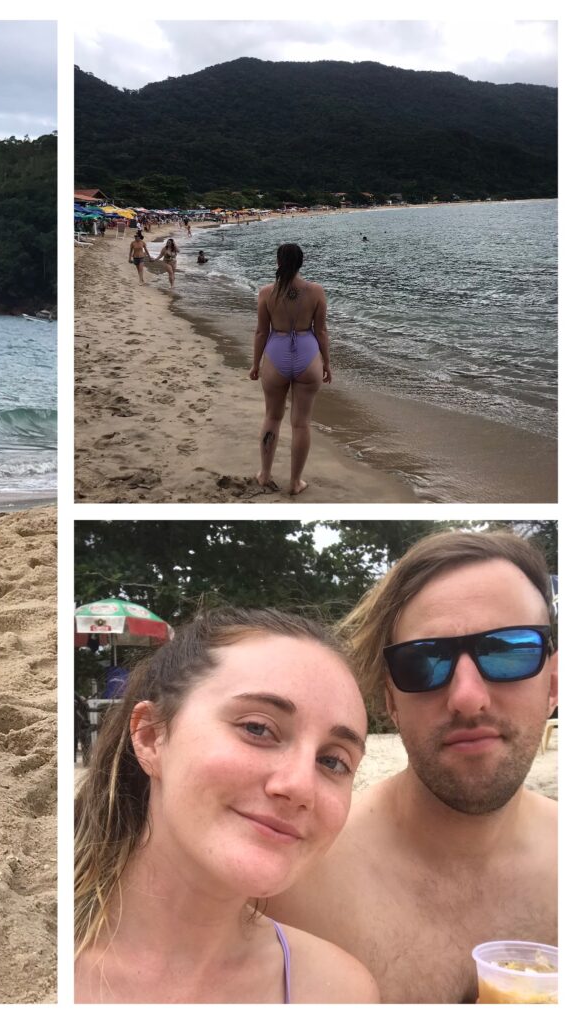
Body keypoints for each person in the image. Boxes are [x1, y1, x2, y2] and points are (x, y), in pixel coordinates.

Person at [268, 530, 558, 1003]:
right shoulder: (292, 881)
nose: (467, 698)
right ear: (391, 700)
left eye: (508, 651)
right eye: (424, 663)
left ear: (554, 684)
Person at [75, 607, 379, 1004]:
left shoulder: (339, 994)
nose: (300, 787)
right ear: (150, 737)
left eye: (333, 761)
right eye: (257, 728)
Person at [249, 243, 331, 496]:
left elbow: (262, 331)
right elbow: (321, 331)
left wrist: (255, 363)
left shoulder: (266, 293)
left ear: (278, 262)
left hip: (277, 353)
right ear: (301, 263)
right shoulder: (316, 291)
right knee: (301, 424)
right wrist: (327, 363)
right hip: (307, 353)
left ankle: (265, 474)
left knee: (272, 417)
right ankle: (295, 482)